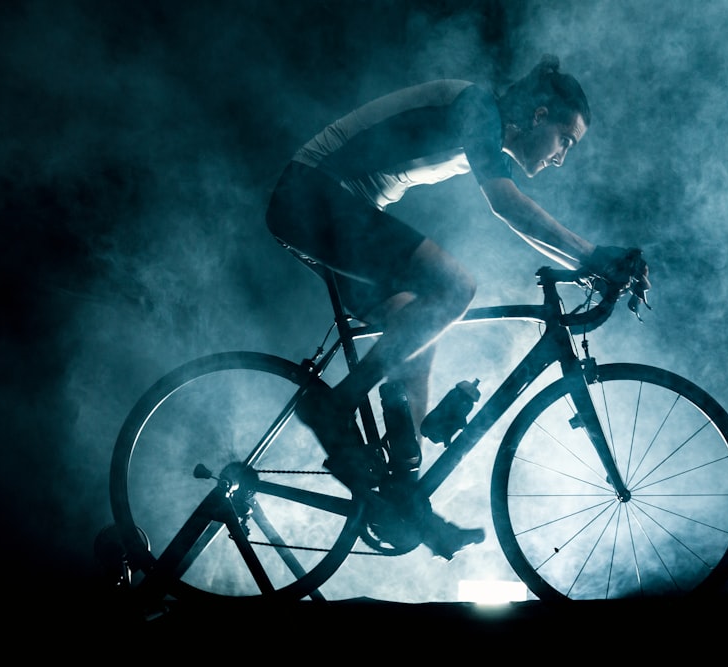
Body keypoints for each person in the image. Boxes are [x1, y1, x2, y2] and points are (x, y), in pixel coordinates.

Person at [266, 55, 649, 559]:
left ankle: (406, 498)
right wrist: (595, 255)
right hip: (313, 193)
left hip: (334, 205)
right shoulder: (478, 108)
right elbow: (506, 205)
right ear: (538, 116)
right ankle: (331, 406)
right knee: (453, 289)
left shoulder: (488, 130)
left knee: (422, 325)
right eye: (565, 141)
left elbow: (518, 217)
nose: (561, 158)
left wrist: (594, 265)